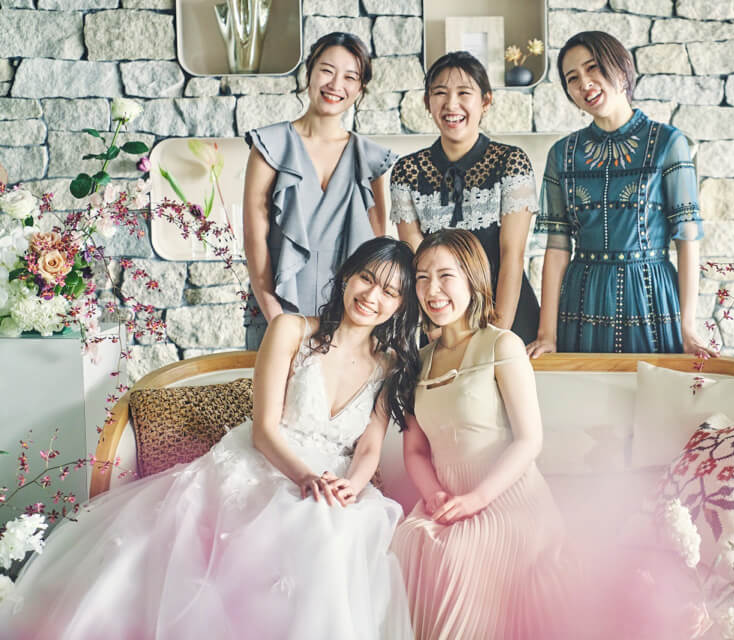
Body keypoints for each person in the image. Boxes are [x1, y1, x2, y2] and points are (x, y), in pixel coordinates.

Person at [2, 238, 419, 640]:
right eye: (366, 278)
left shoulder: (389, 364)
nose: (372, 296)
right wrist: (306, 478)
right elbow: (264, 430)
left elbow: (369, 447)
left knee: (346, 529)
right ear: (347, 276)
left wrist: (352, 487)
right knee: (304, 521)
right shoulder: (290, 330)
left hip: (337, 480)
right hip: (270, 461)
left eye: (389, 292)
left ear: (400, 305)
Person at [391, 229, 567, 640]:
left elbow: (529, 440)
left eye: (445, 276)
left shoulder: (502, 345)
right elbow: (415, 450)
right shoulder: (416, 362)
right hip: (445, 498)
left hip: (507, 496)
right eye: (422, 277)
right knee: (409, 540)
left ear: (472, 279)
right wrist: (433, 493)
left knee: (458, 553)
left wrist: (478, 498)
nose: (432, 290)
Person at [527, 31, 715, 357]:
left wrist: (687, 328)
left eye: (593, 68)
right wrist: (547, 334)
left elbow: (687, 240)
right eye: (573, 78)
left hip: (650, 295)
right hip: (582, 297)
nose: (585, 83)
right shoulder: (562, 154)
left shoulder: (668, 143)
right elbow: (557, 248)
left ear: (621, 67)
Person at [243, 32, 397, 350]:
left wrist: (360, 329)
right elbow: (254, 241)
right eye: (327, 70)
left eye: (350, 77)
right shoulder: (269, 145)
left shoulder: (371, 159)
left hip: (349, 324)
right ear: (309, 73)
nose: (336, 84)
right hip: (275, 312)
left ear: (360, 88)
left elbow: (376, 256)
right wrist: (280, 324)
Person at [390, 51, 541, 343]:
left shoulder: (511, 162)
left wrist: (497, 333)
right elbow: (416, 256)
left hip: (505, 311)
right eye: (440, 93)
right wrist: (435, 329)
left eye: (463, 93)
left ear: (485, 101)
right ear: (427, 103)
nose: (451, 104)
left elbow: (512, 254)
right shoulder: (407, 170)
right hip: (438, 315)